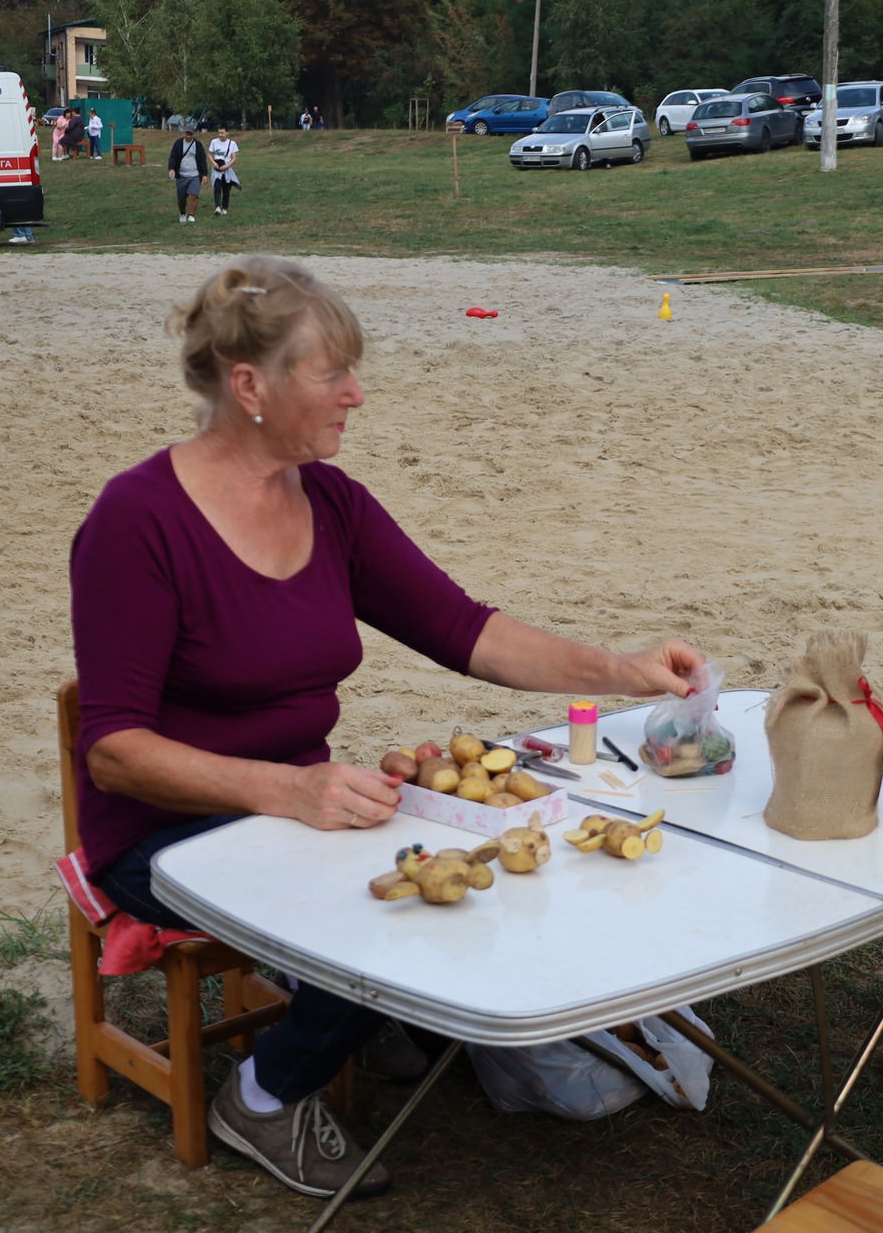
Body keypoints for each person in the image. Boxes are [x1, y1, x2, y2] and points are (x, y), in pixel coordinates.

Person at [71, 255, 704, 1199]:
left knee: (470, 853)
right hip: (167, 831)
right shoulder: (138, 520)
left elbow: (464, 628)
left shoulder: (330, 503)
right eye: (332, 374)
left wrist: (623, 671)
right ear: (250, 385)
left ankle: (370, 1022)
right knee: (380, 902)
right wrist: (286, 786)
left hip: (295, 808)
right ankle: (263, 1093)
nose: (356, 396)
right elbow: (114, 752)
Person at [168, 129, 208, 223]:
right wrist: (171, 168)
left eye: (190, 134)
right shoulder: (178, 143)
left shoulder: (198, 145)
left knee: (194, 195)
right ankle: (182, 213)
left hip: (195, 175)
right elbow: (173, 157)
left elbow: (202, 160)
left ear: (193, 134)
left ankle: (191, 215)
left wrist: (204, 174)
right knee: (181, 198)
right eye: (187, 134)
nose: (188, 136)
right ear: (184, 133)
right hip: (182, 175)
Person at [209, 126, 240, 216]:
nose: (220, 135)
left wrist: (227, 166)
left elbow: (234, 158)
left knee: (226, 189)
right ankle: (217, 206)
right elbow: (210, 154)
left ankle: (225, 207)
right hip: (217, 169)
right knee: (217, 187)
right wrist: (213, 163)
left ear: (227, 133)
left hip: (227, 169)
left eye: (222, 133)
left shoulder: (232, 143)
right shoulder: (214, 142)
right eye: (219, 133)